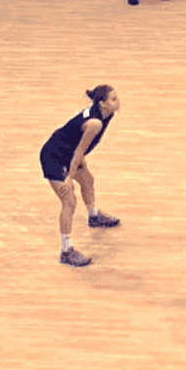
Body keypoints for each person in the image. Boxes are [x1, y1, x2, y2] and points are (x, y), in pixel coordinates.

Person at [38, 85, 122, 267]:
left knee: (88, 181)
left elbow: (76, 143)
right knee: (69, 201)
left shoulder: (107, 113)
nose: (118, 102)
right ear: (102, 103)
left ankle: (93, 217)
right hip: (54, 157)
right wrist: (68, 177)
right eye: (113, 99)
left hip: (67, 152)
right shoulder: (95, 123)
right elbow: (79, 151)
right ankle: (65, 251)